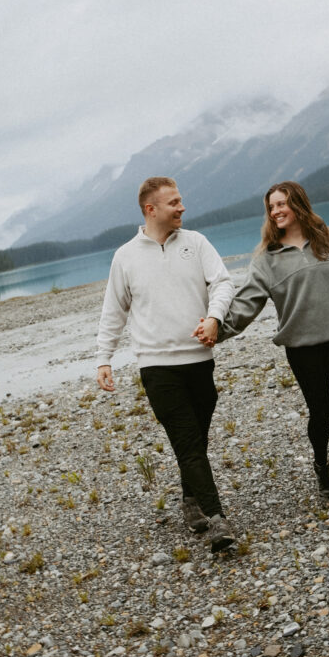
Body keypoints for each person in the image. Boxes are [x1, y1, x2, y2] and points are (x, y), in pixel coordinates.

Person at [195, 180, 329, 519]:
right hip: (302, 348)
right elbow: (245, 305)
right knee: (321, 413)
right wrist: (216, 330)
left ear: (298, 204)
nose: (276, 211)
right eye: (271, 207)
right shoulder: (267, 260)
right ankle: (321, 465)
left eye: (282, 204)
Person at [96, 176, 237, 552]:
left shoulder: (197, 243)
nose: (182, 207)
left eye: (181, 200)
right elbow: (114, 311)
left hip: (199, 361)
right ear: (151, 209)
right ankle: (217, 520)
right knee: (187, 442)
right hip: (157, 368)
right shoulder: (125, 257)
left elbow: (222, 283)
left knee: (195, 440)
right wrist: (103, 358)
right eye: (174, 202)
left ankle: (190, 501)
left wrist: (214, 318)